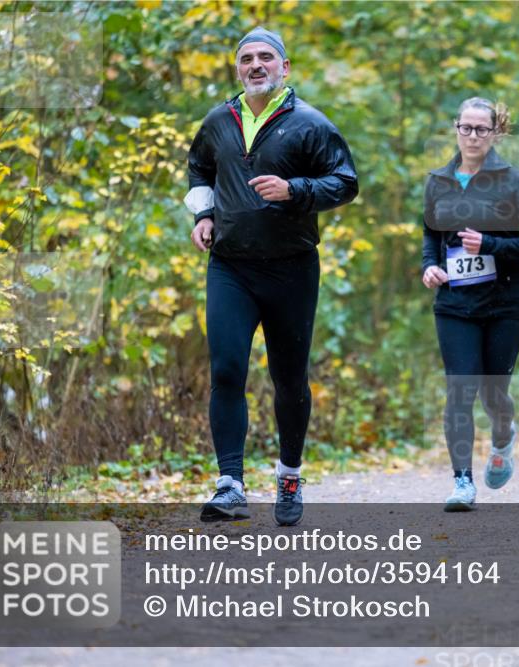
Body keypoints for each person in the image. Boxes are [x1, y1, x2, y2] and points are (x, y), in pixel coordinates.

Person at [184, 27, 358, 525]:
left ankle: (289, 474)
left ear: (285, 67)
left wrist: (295, 189)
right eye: (246, 58)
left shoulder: (310, 124)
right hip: (231, 266)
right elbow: (199, 169)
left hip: (291, 269)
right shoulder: (219, 120)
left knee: (289, 378)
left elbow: (346, 183)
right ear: (237, 68)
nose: (255, 65)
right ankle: (230, 484)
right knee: (226, 369)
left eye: (266, 57)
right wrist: (204, 215)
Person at [421, 97, 519, 511]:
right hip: (455, 303)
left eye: (481, 129)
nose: (472, 136)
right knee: (460, 389)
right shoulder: (438, 181)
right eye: (466, 127)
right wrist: (429, 266)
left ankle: (503, 436)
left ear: (495, 133)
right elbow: (430, 233)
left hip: (506, 303)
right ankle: (462, 482)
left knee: (494, 392)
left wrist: (490, 243)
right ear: (455, 129)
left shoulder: (513, 181)